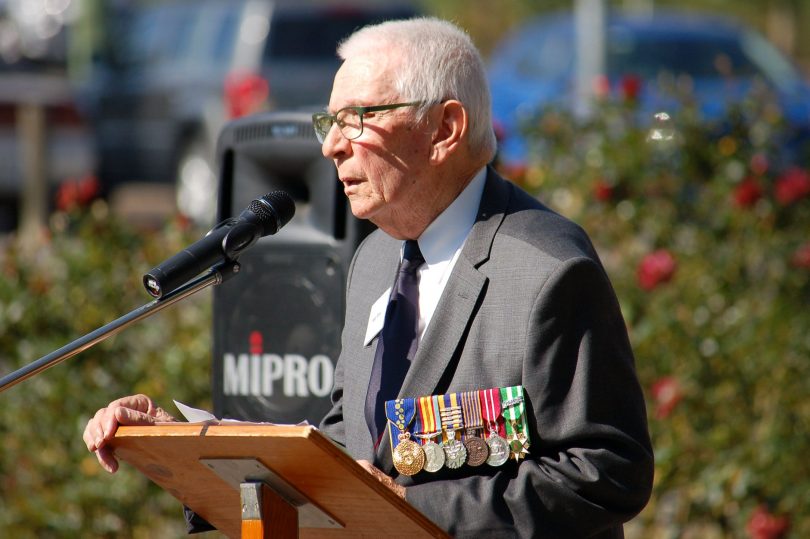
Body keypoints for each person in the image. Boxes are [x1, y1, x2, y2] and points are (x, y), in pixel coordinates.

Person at [84, 17, 654, 538]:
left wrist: (407, 509)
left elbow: (607, 471)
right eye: (330, 121)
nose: (332, 145)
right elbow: (352, 448)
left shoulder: (546, 269)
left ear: (445, 128)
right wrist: (190, 447)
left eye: (359, 118)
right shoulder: (375, 261)